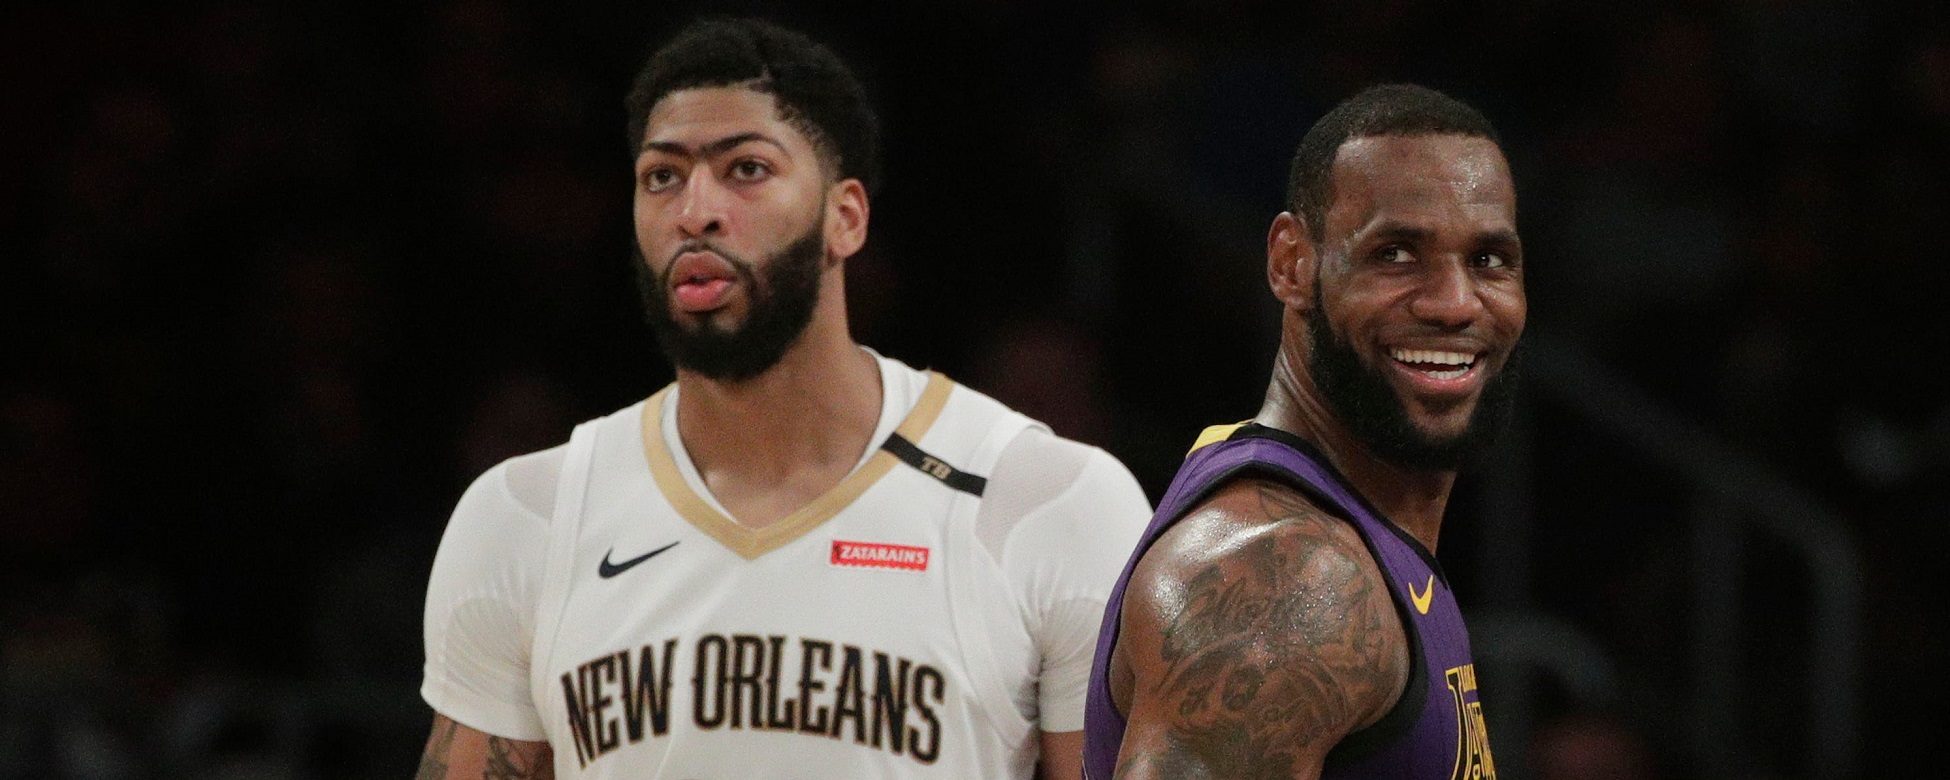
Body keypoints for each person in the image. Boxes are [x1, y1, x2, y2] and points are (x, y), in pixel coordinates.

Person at [415, 18, 1152, 779]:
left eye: (746, 169)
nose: (695, 211)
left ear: (846, 218)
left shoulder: (1043, 501)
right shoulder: (527, 518)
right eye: (662, 176)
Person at [1082, 83, 1523, 779]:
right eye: (1395, 254)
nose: (1454, 303)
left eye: (1488, 260)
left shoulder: (1347, 545)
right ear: (1292, 263)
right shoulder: (1288, 583)